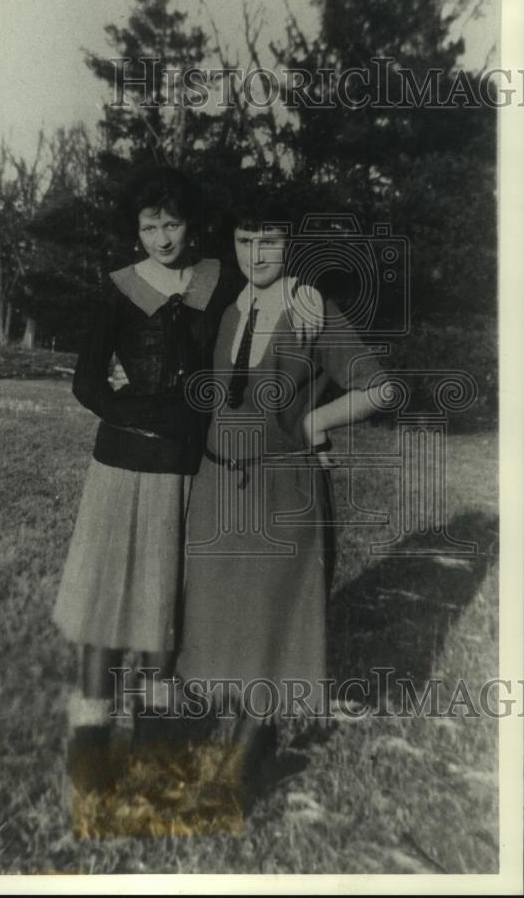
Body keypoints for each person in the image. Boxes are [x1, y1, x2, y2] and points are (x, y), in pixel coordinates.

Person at [52, 167, 324, 800]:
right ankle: (90, 764)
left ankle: (151, 760)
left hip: (185, 474)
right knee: (103, 615)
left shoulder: (218, 281)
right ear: (135, 229)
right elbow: (86, 383)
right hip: (120, 469)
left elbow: (266, 288)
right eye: (149, 225)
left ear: (192, 225)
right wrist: (140, 415)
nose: (161, 237)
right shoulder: (119, 288)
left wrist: (306, 290)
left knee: (162, 617)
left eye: (172, 223)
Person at [175, 192, 392, 803]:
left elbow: (379, 387)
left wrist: (315, 424)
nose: (256, 253)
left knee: (269, 621)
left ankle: (239, 772)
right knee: (221, 621)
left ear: (289, 244)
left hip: (282, 489)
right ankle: (248, 746)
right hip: (219, 487)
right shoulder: (227, 306)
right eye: (245, 240)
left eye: (269, 240)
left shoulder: (311, 310)